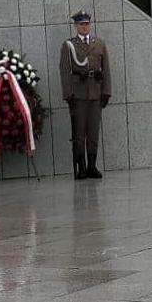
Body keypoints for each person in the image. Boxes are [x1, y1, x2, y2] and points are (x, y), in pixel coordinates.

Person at [60, 11, 111, 180]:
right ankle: (81, 166)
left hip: (95, 92)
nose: (84, 27)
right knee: (79, 132)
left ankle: (92, 166)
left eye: (87, 24)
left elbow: (106, 69)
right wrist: (68, 94)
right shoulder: (69, 45)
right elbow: (64, 71)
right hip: (79, 93)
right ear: (76, 26)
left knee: (93, 131)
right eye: (81, 24)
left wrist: (106, 91)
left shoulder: (99, 43)